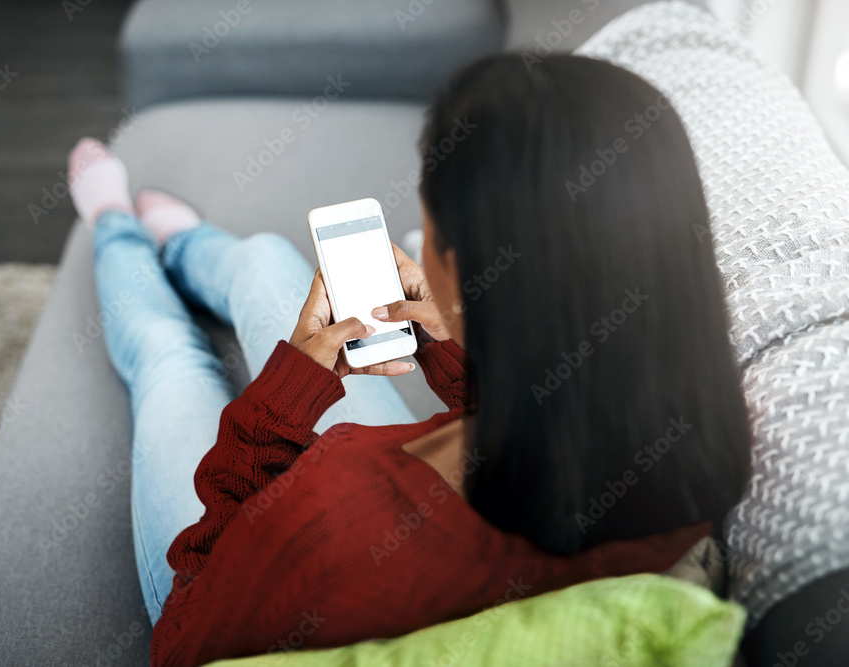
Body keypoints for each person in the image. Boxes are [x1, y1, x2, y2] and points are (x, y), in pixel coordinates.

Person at [66, 53, 751, 667]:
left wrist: (285, 400)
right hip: (407, 453)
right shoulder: (679, 451)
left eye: (429, 237)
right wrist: (447, 344)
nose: (418, 248)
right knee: (272, 265)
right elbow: (540, 434)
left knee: (174, 360)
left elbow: (184, 631)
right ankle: (187, 245)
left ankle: (114, 228)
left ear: (455, 270)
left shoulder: (337, 526)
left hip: (249, 561)